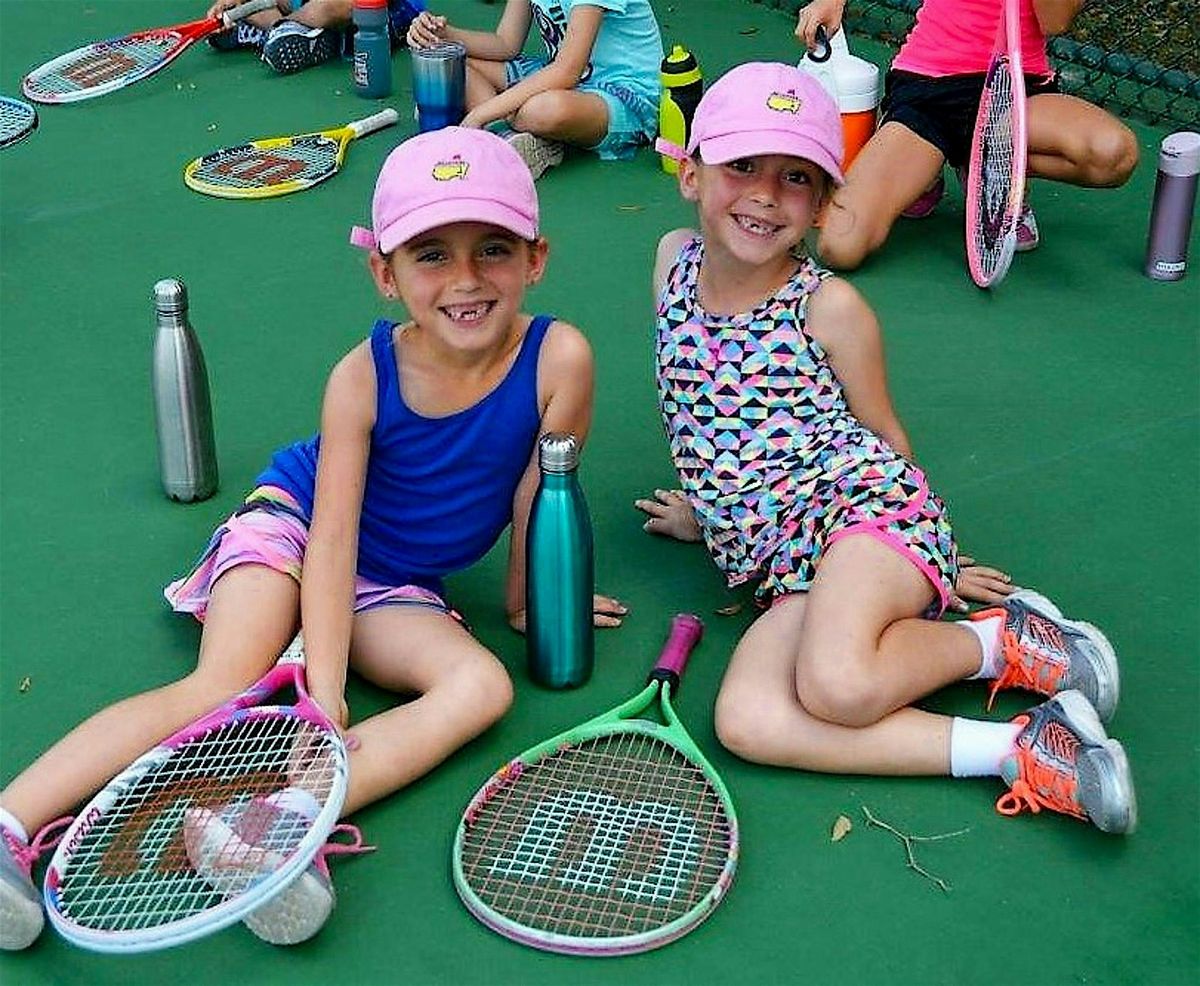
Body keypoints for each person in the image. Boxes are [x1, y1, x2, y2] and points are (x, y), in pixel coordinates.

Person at [0, 127, 626, 951]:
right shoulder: (360, 377)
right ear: (385, 273)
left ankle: (277, 825)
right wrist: (324, 687)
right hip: (297, 525)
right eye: (432, 255)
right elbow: (329, 541)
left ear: (535, 259)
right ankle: (11, 821)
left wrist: (526, 603)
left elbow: (538, 492)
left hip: (397, 580)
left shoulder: (561, 358)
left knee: (481, 688)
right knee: (226, 679)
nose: (467, 280)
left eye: (494, 250)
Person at [644, 61, 1136, 837]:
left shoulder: (829, 307)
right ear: (690, 172)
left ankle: (996, 642)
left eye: (797, 177)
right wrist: (708, 514)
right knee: (748, 719)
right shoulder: (672, 263)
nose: (767, 193)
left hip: (862, 510)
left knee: (838, 685)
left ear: (823, 205)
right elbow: (703, 410)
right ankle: (1016, 747)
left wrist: (927, 561)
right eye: (741, 166)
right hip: (782, 562)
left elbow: (884, 442)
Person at [790, 0, 1138, 269]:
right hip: (930, 88)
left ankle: (988, 160)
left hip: (1013, 92)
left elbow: (1054, 20)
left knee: (1113, 154)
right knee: (840, 246)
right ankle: (930, 167)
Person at [406, 0, 663, 180]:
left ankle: (502, 125)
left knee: (545, 109)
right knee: (455, 64)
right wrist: (444, 34)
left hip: (624, 93)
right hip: (568, 78)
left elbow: (567, 71)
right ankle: (511, 137)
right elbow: (505, 43)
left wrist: (479, 114)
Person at [206, 0, 423, 75]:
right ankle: (289, 32)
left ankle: (273, 30)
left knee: (342, 5)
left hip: (385, 15)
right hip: (309, 8)